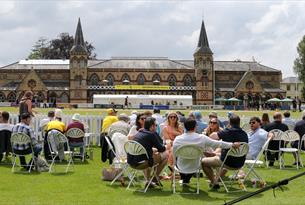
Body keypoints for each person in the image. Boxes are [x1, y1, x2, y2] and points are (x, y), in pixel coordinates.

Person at [173, 118, 239, 185]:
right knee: (197, 160)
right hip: (195, 166)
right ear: (195, 126)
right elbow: (218, 143)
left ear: (184, 127)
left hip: (181, 165)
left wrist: (174, 163)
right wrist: (232, 145)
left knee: (180, 158)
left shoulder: (178, 139)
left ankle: (185, 179)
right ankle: (186, 179)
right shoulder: (202, 137)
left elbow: (174, 153)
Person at [203, 114, 248, 189]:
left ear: (229, 122)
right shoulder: (244, 134)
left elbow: (213, 137)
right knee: (219, 155)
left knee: (203, 162)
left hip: (227, 162)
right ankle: (216, 180)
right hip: (240, 163)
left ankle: (214, 181)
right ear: (239, 123)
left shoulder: (228, 131)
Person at [127, 117, 167, 187]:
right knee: (166, 155)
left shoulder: (140, 132)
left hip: (131, 163)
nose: (156, 127)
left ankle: (148, 181)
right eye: (156, 125)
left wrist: (153, 150)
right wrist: (167, 146)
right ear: (152, 126)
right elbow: (162, 149)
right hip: (142, 163)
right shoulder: (151, 134)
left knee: (151, 154)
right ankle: (155, 177)